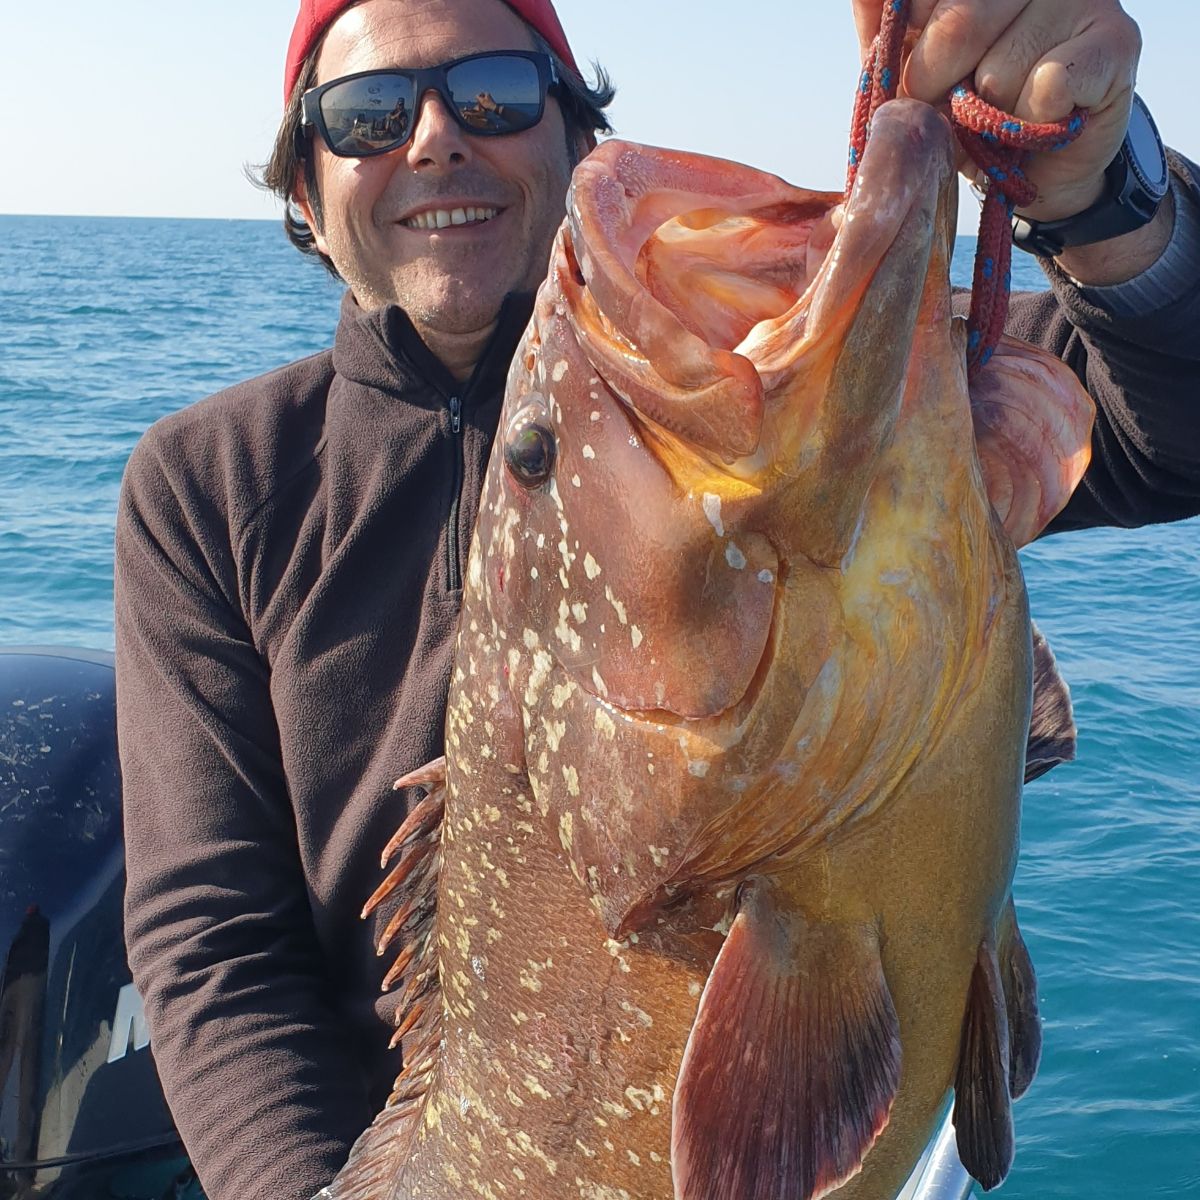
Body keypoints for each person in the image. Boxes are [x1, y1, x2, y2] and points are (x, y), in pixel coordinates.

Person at [114, 3, 1200, 1200]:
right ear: (308, 201)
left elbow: (1171, 427)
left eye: (493, 95)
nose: (432, 139)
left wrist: (1105, 193)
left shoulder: (861, 396)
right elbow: (214, 941)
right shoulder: (208, 482)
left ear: (576, 143)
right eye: (364, 115)